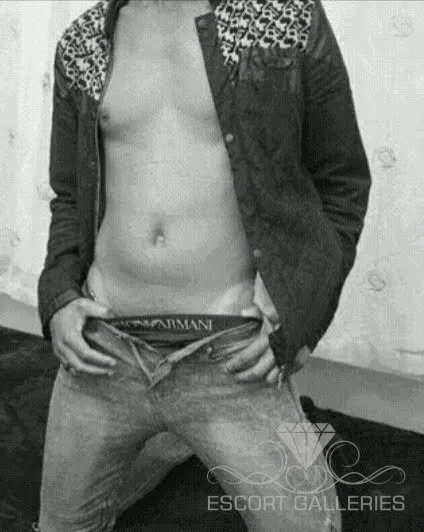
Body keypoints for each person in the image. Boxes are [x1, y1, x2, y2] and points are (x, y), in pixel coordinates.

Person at [36, 0, 371, 530]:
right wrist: (58, 298)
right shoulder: (84, 41)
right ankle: (168, 441)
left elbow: (342, 183)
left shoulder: (284, 17)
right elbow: (70, 195)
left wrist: (301, 307)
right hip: (103, 351)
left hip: (232, 356)